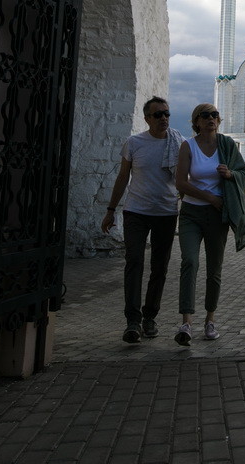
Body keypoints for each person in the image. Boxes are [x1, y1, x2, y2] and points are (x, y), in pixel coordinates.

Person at [101, 97, 185, 344]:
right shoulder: (134, 143)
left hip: (166, 212)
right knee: (134, 261)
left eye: (166, 114)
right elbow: (122, 178)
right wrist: (110, 210)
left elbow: (186, 176)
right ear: (147, 118)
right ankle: (133, 321)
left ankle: (150, 317)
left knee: (159, 267)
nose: (164, 119)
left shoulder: (178, 143)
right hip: (136, 212)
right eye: (158, 115)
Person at [173, 103, 245, 345]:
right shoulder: (188, 146)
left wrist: (230, 175)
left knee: (214, 269)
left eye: (215, 115)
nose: (211, 119)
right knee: (190, 261)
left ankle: (210, 319)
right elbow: (180, 183)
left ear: (219, 120)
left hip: (217, 217)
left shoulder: (227, 145)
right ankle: (186, 322)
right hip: (192, 214)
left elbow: (243, 173)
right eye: (205, 115)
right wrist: (210, 198)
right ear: (196, 122)